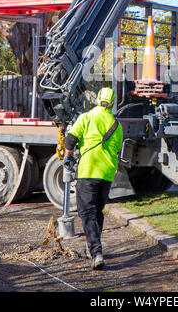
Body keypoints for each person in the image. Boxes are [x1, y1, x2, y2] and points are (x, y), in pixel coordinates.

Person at [64, 87, 123, 270]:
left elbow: (70, 140)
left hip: (88, 171)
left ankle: (96, 252)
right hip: (106, 174)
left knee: (87, 213)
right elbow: (118, 148)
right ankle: (93, 247)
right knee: (97, 211)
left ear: (97, 100)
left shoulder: (87, 117)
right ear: (112, 104)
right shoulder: (117, 125)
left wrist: (67, 158)